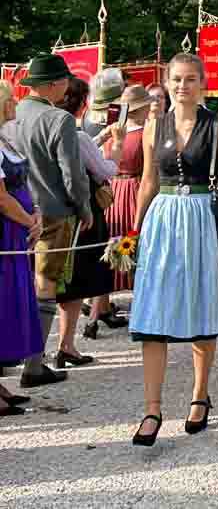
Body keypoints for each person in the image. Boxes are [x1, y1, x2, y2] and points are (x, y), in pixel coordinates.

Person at [128, 53, 218, 447]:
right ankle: (152, 408)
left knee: (201, 305)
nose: (183, 86)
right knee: (152, 311)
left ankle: (199, 395)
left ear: (203, 83)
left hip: (201, 217)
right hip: (162, 218)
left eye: (191, 79)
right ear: (167, 83)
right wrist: (135, 229)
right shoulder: (153, 126)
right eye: (177, 79)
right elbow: (148, 181)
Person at [15, 54, 93, 389]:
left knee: (21, 287)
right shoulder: (58, 119)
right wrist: (85, 207)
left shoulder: (11, 116)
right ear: (50, 84)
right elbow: (72, 175)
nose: (66, 86)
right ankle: (34, 364)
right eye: (62, 80)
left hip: (17, 214)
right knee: (46, 286)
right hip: (53, 211)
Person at [54, 77, 123, 368]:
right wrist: (117, 144)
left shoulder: (54, 129)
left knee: (58, 282)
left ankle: (60, 346)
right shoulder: (75, 135)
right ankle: (65, 345)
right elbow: (105, 168)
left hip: (52, 211)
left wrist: (101, 138)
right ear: (83, 104)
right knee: (73, 282)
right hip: (80, 214)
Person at [0, 81, 43, 415]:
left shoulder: (5, 138)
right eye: (10, 98)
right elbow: (1, 198)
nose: (16, 103)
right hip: (4, 233)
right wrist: (29, 220)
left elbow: (22, 184)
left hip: (17, 231)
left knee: (12, 303)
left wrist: (35, 214)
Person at [101, 85, 152, 304]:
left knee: (112, 244)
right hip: (135, 189)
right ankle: (140, 300)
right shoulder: (145, 132)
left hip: (113, 191)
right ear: (143, 107)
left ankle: (98, 309)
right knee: (135, 241)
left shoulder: (113, 132)